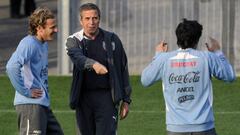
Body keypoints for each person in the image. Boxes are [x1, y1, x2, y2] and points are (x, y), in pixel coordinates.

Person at [141, 18, 236, 135]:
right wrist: (218, 53)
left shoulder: (164, 59)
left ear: (178, 38)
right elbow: (230, 75)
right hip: (204, 127)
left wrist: (158, 55)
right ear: (197, 39)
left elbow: (145, 80)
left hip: (176, 129)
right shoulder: (207, 57)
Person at [65, 3, 132, 135]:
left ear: (99, 19)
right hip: (83, 99)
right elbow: (77, 57)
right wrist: (93, 64)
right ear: (81, 21)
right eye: (87, 18)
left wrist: (126, 100)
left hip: (106, 98)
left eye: (95, 18)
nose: (91, 22)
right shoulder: (74, 40)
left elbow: (122, 69)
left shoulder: (112, 39)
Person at [6, 7, 63, 135]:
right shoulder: (29, 44)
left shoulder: (43, 44)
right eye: (52, 27)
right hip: (30, 105)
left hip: (42, 105)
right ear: (39, 28)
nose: (56, 30)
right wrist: (26, 92)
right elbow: (11, 67)